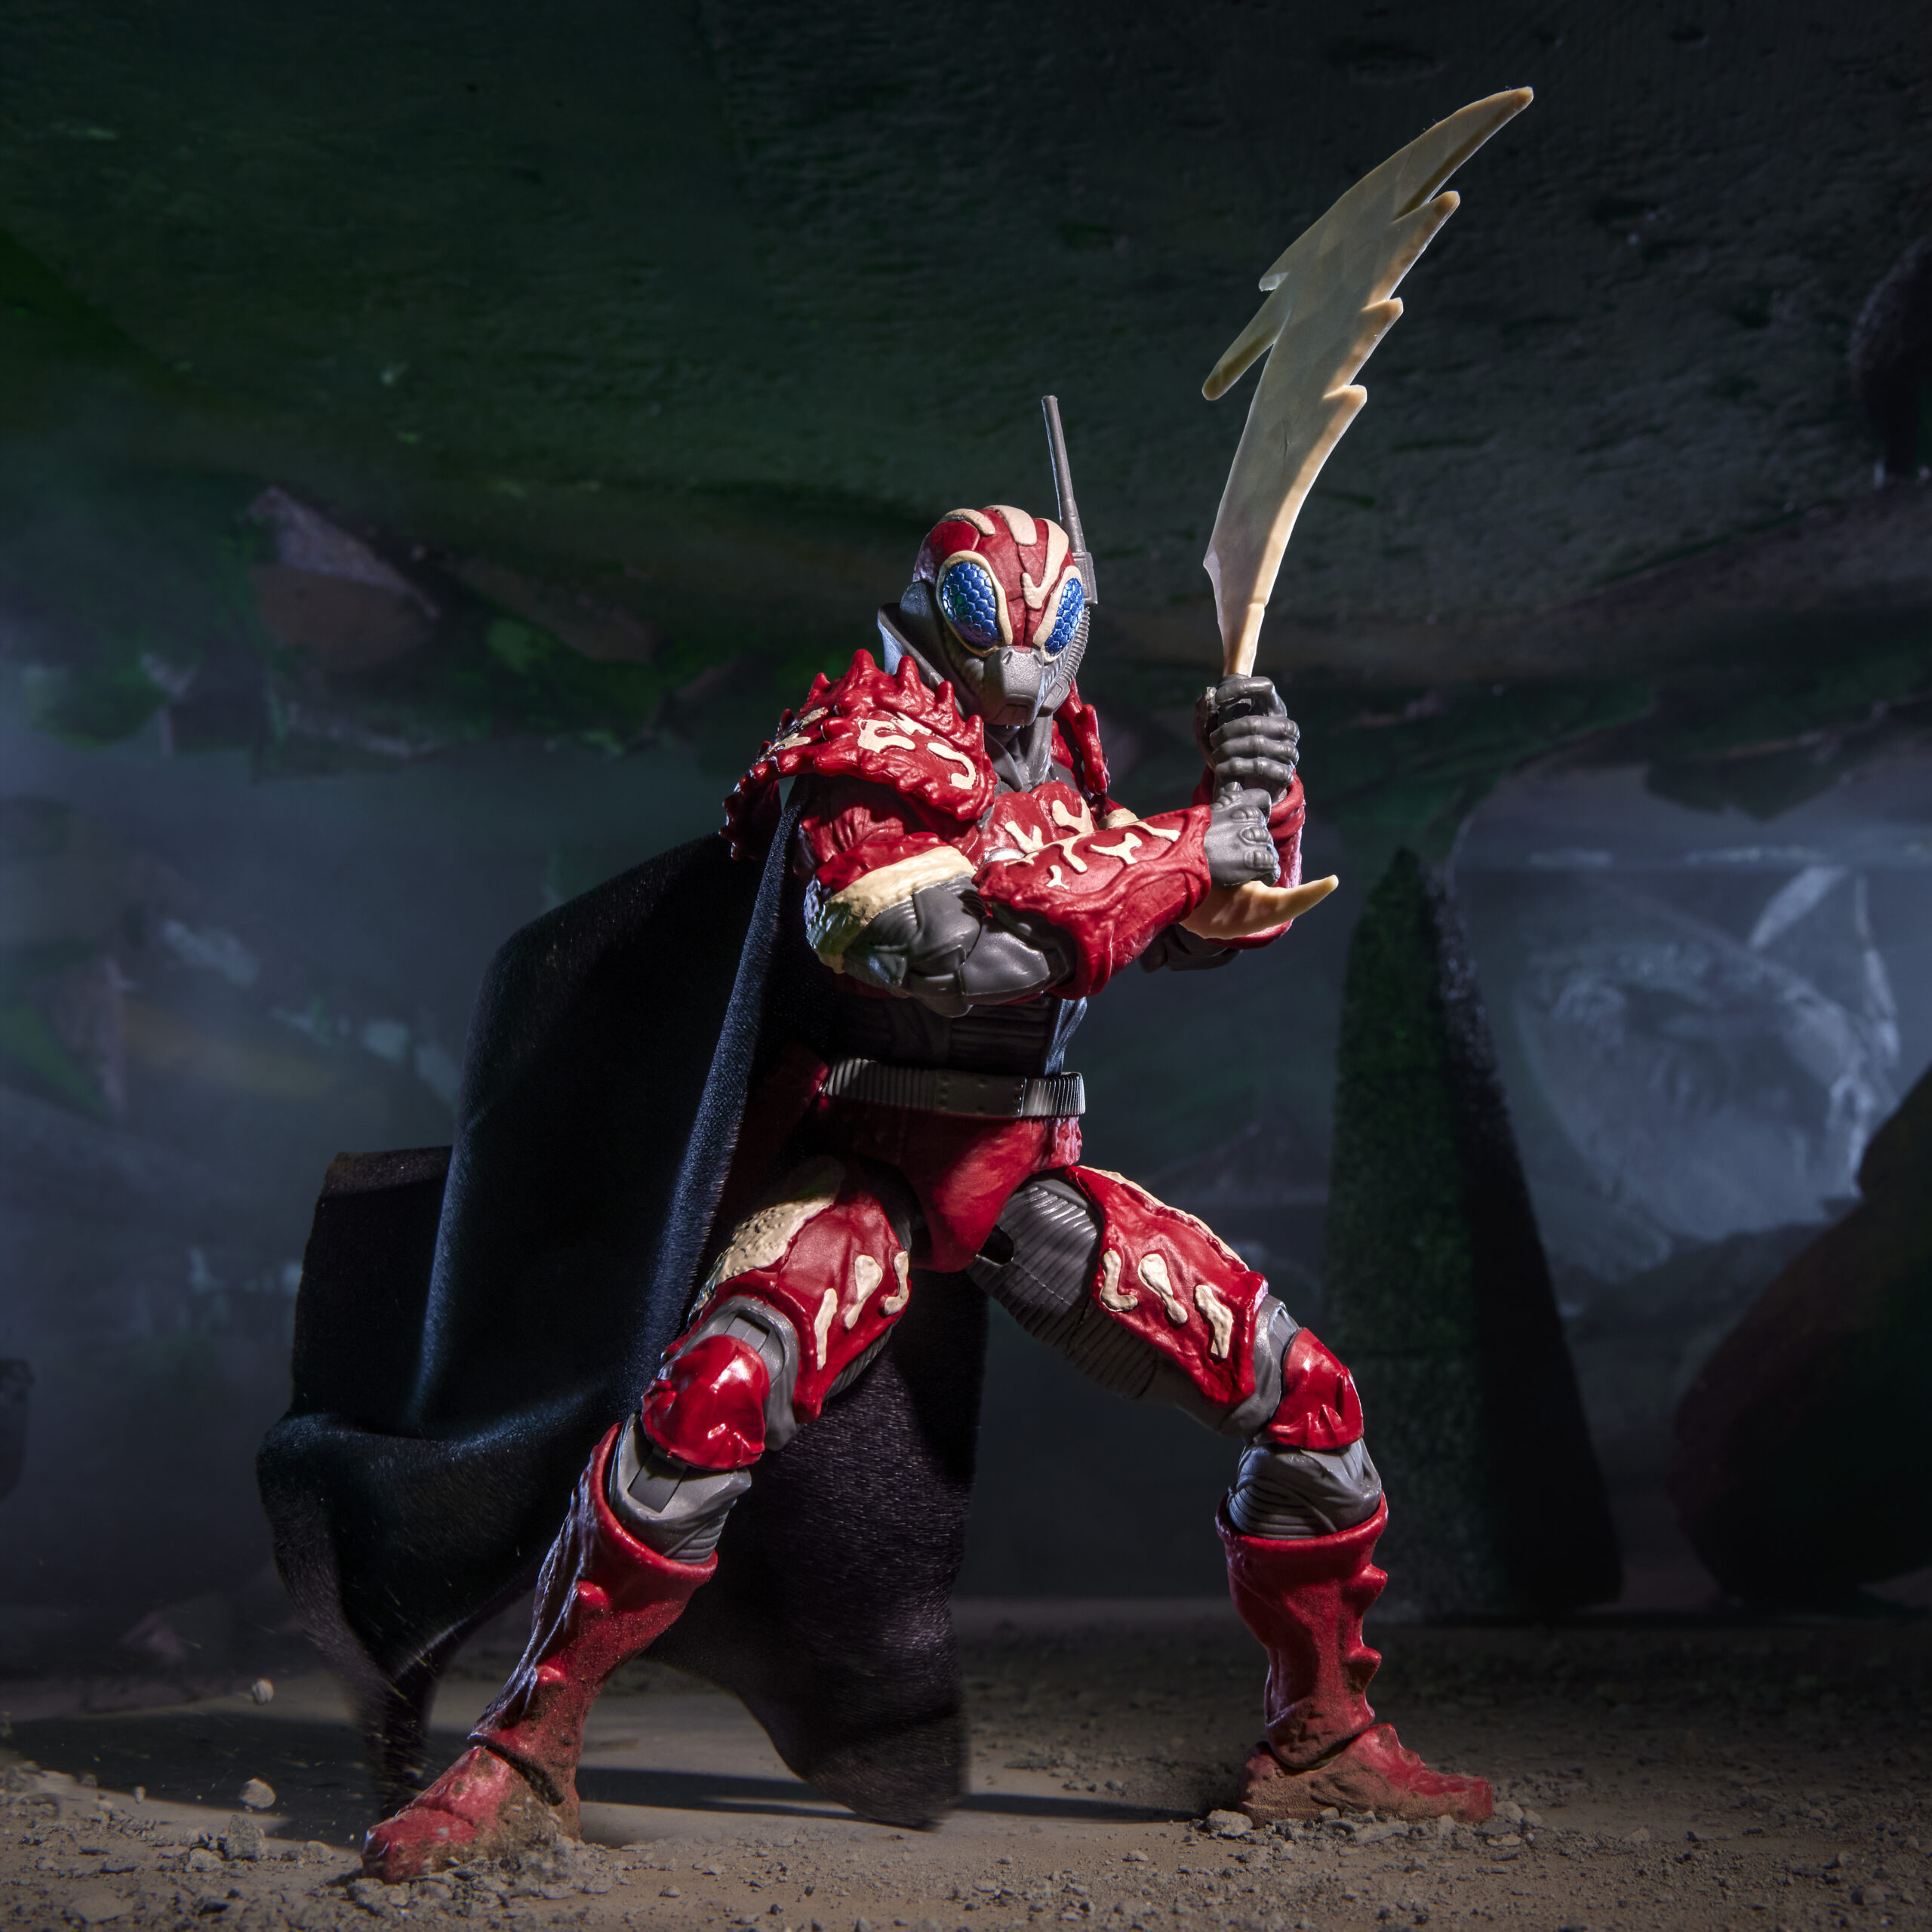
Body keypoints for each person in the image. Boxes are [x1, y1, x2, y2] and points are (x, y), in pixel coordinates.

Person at [362, 503, 1491, 1880]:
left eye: (1051, 631)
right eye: (993, 626)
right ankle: (522, 1751)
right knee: (710, 1403)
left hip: (1024, 1175)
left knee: (1310, 1405)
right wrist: (1188, 846)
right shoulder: (862, 745)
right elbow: (952, 956)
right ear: (938, 613)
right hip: (870, 1165)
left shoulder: (1059, 756)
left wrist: (1257, 802)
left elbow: (1195, 930)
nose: (1022, 663)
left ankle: (1325, 1737)